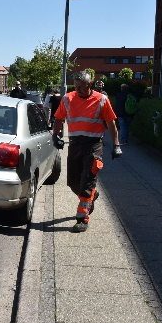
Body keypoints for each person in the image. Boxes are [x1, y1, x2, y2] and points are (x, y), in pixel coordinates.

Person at [52, 71, 122, 233]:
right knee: (73, 182)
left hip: (93, 145)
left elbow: (111, 124)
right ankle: (92, 195)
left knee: (87, 182)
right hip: (75, 144)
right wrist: (56, 136)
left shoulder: (101, 100)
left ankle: (82, 218)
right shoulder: (68, 99)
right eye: (75, 87)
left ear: (90, 85)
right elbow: (58, 118)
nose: (78, 90)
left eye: (81, 87)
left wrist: (116, 145)